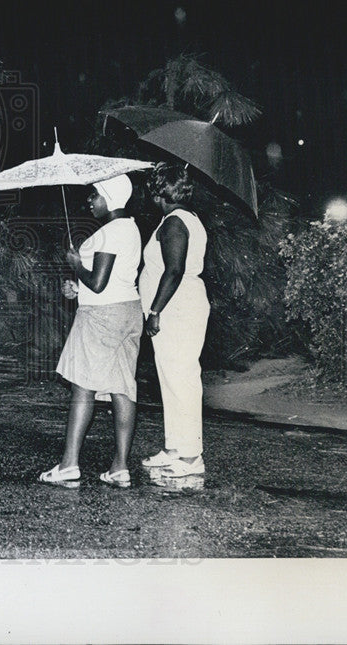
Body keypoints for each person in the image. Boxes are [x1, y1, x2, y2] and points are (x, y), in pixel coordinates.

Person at [39, 174, 143, 489]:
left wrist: (75, 263)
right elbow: (107, 281)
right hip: (128, 311)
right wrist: (77, 287)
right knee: (122, 386)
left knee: (83, 385)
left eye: (95, 195)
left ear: (109, 197)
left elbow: (98, 281)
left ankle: (69, 464)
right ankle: (119, 467)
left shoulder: (110, 232)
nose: (90, 200)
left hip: (101, 316)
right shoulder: (132, 228)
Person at [139, 163, 210, 480]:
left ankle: (192, 455)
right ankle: (173, 448)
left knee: (181, 379)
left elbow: (174, 270)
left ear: (158, 194)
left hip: (176, 308)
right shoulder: (182, 219)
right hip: (179, 306)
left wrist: (155, 310)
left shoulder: (174, 223)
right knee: (171, 378)